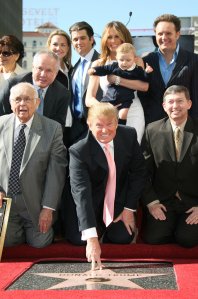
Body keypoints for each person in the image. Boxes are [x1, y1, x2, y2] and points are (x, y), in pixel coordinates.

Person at [68, 102, 146, 269]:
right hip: (90, 202)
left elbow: (139, 172)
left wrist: (129, 209)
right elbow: (82, 193)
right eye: (99, 125)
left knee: (121, 238)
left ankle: (107, 229)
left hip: (118, 201)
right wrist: (91, 237)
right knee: (78, 240)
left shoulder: (129, 136)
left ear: (117, 123)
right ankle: (97, 230)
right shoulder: (78, 150)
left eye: (110, 124)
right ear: (89, 125)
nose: (105, 130)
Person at [0, 82, 67, 247]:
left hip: (35, 202)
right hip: (5, 200)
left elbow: (56, 172)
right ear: (10, 103)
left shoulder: (52, 129)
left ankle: (29, 229)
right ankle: (16, 231)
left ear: (37, 103)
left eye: (28, 99)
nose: (22, 104)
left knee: (40, 242)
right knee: (6, 242)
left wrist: (48, 208)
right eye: (17, 99)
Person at [141, 85, 198, 248]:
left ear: (189, 104)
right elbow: (143, 171)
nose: (175, 106)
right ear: (164, 106)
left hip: (194, 202)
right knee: (154, 238)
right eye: (171, 102)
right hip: (164, 201)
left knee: (187, 239)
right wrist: (151, 202)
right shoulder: (152, 130)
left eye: (180, 101)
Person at [85, 21, 149, 144]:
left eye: (117, 36)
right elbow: (89, 99)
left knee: (131, 151)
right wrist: (106, 108)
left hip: (133, 111)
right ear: (104, 39)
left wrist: (117, 80)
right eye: (109, 37)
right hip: (107, 116)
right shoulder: (99, 64)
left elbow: (144, 86)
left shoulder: (136, 60)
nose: (113, 41)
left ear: (124, 38)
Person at [138, 14, 198, 125]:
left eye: (168, 33)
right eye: (160, 34)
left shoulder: (194, 60)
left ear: (177, 34)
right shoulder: (145, 61)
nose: (164, 37)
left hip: (187, 127)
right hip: (153, 127)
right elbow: (142, 96)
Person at [0, 50, 71, 129]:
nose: (43, 74)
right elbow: (2, 119)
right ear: (33, 67)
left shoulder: (63, 94)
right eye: (40, 68)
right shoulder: (11, 85)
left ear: (56, 73)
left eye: (49, 70)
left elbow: (58, 127)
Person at [88, 43, 153, 124]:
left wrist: (147, 72)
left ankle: (122, 129)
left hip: (125, 99)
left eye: (128, 60)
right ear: (117, 58)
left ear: (134, 59)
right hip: (110, 97)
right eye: (121, 60)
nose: (124, 63)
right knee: (104, 115)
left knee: (122, 115)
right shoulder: (114, 66)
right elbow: (104, 69)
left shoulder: (137, 69)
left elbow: (144, 79)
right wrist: (94, 70)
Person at [69, 21, 102, 146]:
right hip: (75, 127)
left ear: (91, 39)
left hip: (97, 124)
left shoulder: (102, 61)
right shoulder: (74, 68)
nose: (78, 42)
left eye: (82, 38)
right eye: (75, 39)